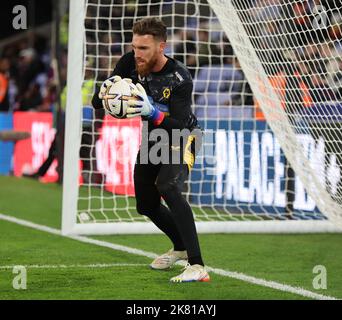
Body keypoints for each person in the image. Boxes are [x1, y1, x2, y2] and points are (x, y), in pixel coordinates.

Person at [92, 17, 209, 283]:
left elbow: (179, 125)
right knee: (146, 205)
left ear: (161, 47)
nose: (137, 54)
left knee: (167, 186)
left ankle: (197, 264)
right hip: (154, 138)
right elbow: (97, 103)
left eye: (144, 48)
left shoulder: (179, 77)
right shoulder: (128, 63)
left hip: (185, 136)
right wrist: (107, 92)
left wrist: (153, 112)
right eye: (135, 47)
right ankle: (179, 247)